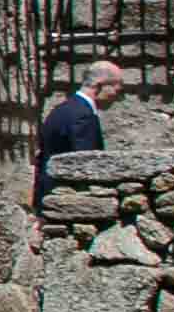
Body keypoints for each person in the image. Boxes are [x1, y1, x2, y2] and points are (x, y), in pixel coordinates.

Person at [37, 59, 123, 207]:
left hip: (49, 195)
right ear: (100, 85)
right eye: (117, 89)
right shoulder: (83, 115)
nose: (117, 96)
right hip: (68, 201)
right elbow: (86, 163)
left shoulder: (61, 110)